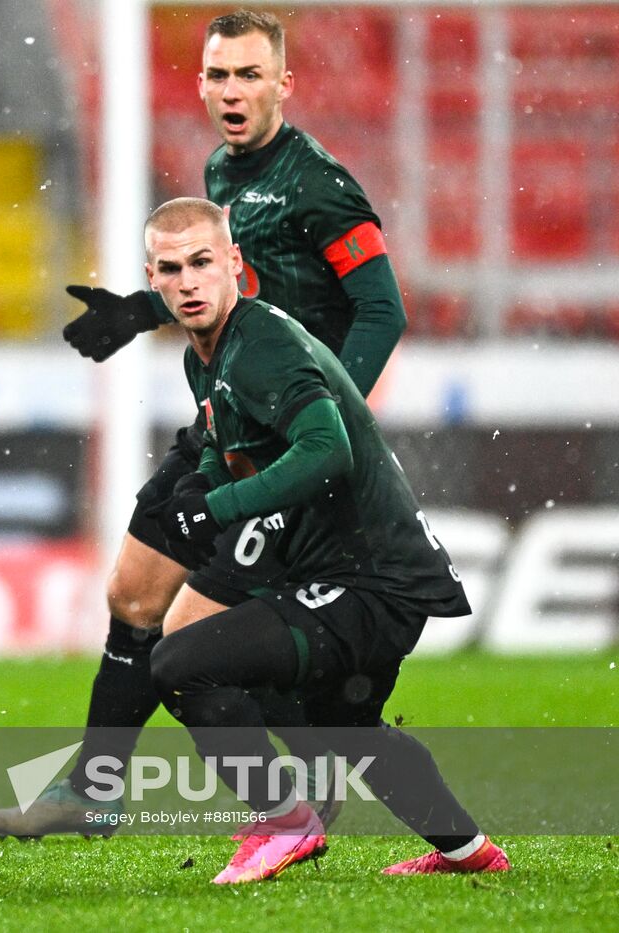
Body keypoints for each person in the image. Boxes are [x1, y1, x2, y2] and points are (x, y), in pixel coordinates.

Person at [0, 10, 411, 836]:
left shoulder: (318, 183)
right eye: (218, 75)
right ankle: (96, 789)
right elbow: (235, 279)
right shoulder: (221, 172)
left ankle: (315, 767)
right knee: (132, 591)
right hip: (224, 424)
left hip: (280, 435)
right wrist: (142, 309)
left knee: (199, 634)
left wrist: (328, 421)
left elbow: (381, 310)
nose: (231, 91)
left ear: (283, 83)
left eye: (250, 74)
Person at [139, 196, 508, 883]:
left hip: (370, 580)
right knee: (348, 726)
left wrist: (217, 504)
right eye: (170, 268)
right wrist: (202, 484)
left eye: (201, 263)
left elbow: (326, 448)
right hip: (366, 576)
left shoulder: (263, 342)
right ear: (151, 279)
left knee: (181, 664)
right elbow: (239, 447)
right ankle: (469, 850)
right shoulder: (209, 357)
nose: (188, 281)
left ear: (234, 265)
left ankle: (285, 818)